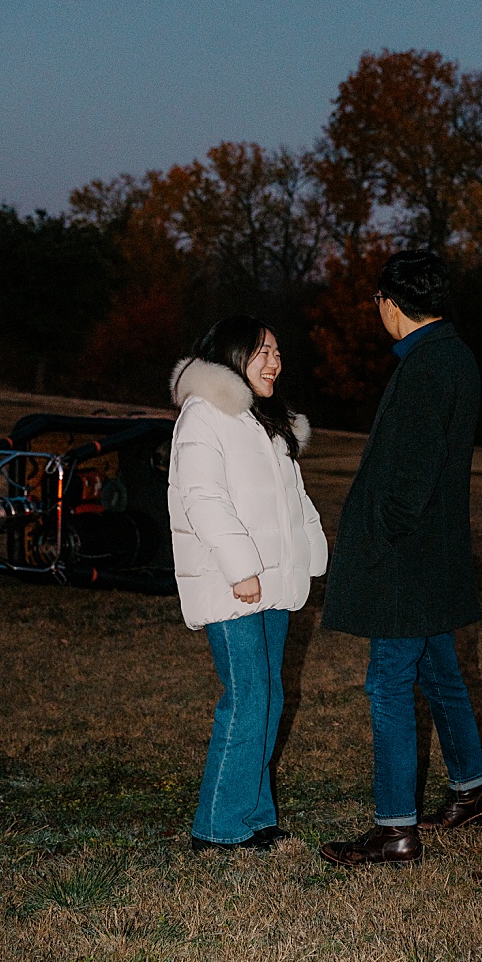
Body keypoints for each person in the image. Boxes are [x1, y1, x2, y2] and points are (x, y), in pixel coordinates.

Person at [319, 249, 482, 869]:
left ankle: (395, 830)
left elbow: (411, 476)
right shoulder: (453, 355)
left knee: (389, 683)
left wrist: (380, 537)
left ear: (392, 305)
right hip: (434, 552)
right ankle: (473, 788)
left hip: (408, 557)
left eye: (378, 303)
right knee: (439, 667)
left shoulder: (427, 367)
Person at [167, 316, 328, 853]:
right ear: (232, 356)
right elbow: (202, 497)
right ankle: (216, 828)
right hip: (233, 582)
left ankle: (256, 817)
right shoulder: (203, 414)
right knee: (248, 697)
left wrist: (312, 552)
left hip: (274, 582)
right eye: (262, 351)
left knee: (270, 697)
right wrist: (240, 568)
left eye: (278, 352)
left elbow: (292, 498)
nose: (274, 363)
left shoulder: (268, 421)